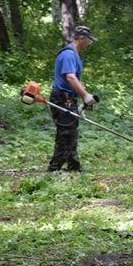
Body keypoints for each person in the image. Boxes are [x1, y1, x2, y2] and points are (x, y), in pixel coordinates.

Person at [47, 26, 98, 172]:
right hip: (62, 98)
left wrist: (83, 99)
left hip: (69, 98)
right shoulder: (69, 54)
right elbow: (70, 77)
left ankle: (74, 166)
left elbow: (76, 79)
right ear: (81, 38)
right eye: (88, 41)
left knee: (71, 131)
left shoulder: (74, 54)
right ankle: (54, 168)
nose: (89, 44)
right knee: (66, 133)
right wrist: (85, 96)